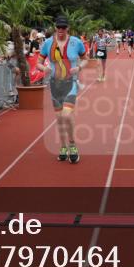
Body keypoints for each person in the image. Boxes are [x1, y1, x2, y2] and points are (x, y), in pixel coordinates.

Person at [36, 15, 87, 164]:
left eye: (63, 27)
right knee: (59, 119)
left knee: (66, 115)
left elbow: (85, 59)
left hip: (70, 84)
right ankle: (63, 146)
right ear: (55, 27)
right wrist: (44, 68)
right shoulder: (48, 43)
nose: (60, 30)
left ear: (67, 28)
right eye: (58, 27)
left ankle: (72, 145)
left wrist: (79, 67)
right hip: (55, 85)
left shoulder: (76, 42)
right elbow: (39, 62)